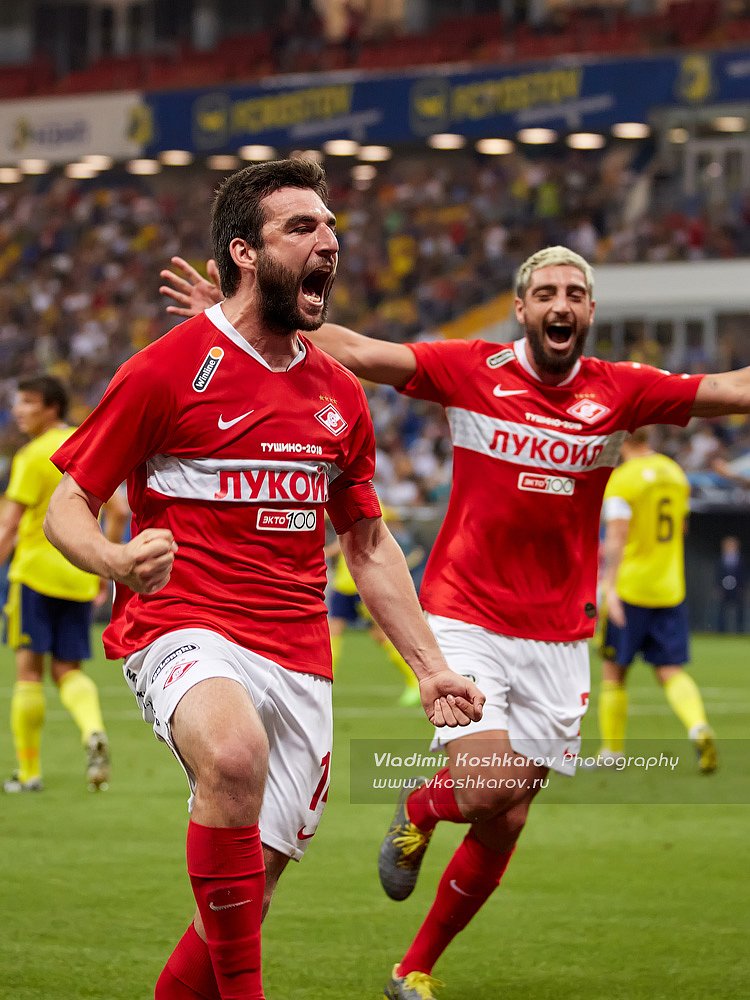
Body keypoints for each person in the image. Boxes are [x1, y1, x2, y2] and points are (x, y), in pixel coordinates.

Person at [161, 241, 750, 1000]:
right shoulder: (474, 369)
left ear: (592, 311)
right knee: (484, 784)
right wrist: (246, 311)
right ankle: (417, 805)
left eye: (575, 293)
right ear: (522, 307)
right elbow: (362, 351)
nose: (560, 305)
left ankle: (415, 970)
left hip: (560, 637)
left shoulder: (624, 391)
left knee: (505, 820)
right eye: (546, 293)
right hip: (465, 615)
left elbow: (732, 388)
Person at [44, 159, 484, 1000]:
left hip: (298, 655)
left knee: (246, 903)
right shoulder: (167, 369)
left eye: (331, 229)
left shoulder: (338, 395)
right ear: (244, 253)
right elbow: (68, 502)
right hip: (182, 625)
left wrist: (430, 667)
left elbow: (369, 543)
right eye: (304, 228)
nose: (331, 242)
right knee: (235, 757)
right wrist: (111, 560)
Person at [0, 376, 124, 793]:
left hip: (35, 574)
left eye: (28, 402)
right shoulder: (85, 441)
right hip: (78, 574)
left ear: (51, 407)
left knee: (29, 672)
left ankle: (29, 772)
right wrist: (105, 563)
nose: (19, 410)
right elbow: (119, 507)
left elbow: (8, 526)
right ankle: (92, 730)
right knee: (68, 669)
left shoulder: (33, 455)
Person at [596, 428, 717, 773]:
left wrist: (610, 586)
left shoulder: (623, 480)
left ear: (621, 440)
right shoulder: (675, 473)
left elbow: (617, 534)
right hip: (669, 586)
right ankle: (698, 726)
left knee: (614, 672)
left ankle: (611, 753)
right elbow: (681, 528)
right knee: (670, 670)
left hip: (631, 587)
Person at [326, 508, 424, 707]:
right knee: (332, 632)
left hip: (360, 582)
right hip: (345, 582)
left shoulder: (365, 499)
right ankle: (325, 684)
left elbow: (351, 536)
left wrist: (325, 551)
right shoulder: (373, 500)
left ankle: (416, 680)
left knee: (381, 635)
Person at [715, 535, 745, 633]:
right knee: (721, 611)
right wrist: (718, 587)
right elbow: (717, 574)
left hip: (737, 589)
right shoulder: (720, 560)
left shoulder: (741, 560)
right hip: (724, 590)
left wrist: (743, 588)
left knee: (740, 610)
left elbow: (744, 574)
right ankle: (721, 631)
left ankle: (740, 630)